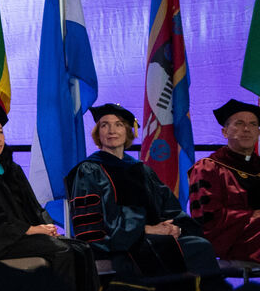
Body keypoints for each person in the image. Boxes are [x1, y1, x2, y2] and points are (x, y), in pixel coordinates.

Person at [0, 103, 100, 291]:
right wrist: (33, 230)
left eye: (0, 132)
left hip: (21, 237)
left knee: (82, 249)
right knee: (64, 252)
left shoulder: (10, 169)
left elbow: (32, 207)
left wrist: (46, 228)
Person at [67, 103, 219, 276]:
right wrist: (146, 230)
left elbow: (169, 207)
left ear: (127, 131)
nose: (111, 130)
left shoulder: (142, 170)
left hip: (151, 237)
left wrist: (176, 228)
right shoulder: (89, 170)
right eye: (104, 125)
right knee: (182, 250)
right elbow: (92, 226)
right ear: (98, 133)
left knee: (200, 245)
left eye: (119, 124)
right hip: (115, 245)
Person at [189, 100, 260, 264]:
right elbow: (208, 221)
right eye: (239, 123)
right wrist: (254, 217)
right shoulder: (208, 167)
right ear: (224, 132)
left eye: (253, 124)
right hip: (228, 241)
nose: (247, 129)